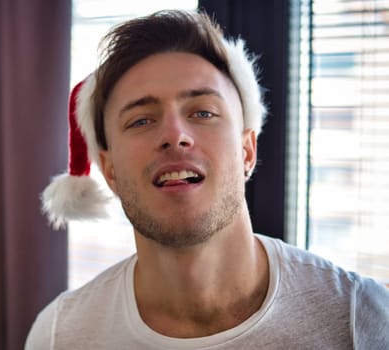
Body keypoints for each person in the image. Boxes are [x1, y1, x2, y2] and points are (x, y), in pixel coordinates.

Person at [26, 9, 389, 349]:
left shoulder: (360, 318)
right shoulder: (60, 336)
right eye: (141, 120)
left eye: (202, 112)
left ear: (247, 152)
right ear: (110, 172)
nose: (174, 134)